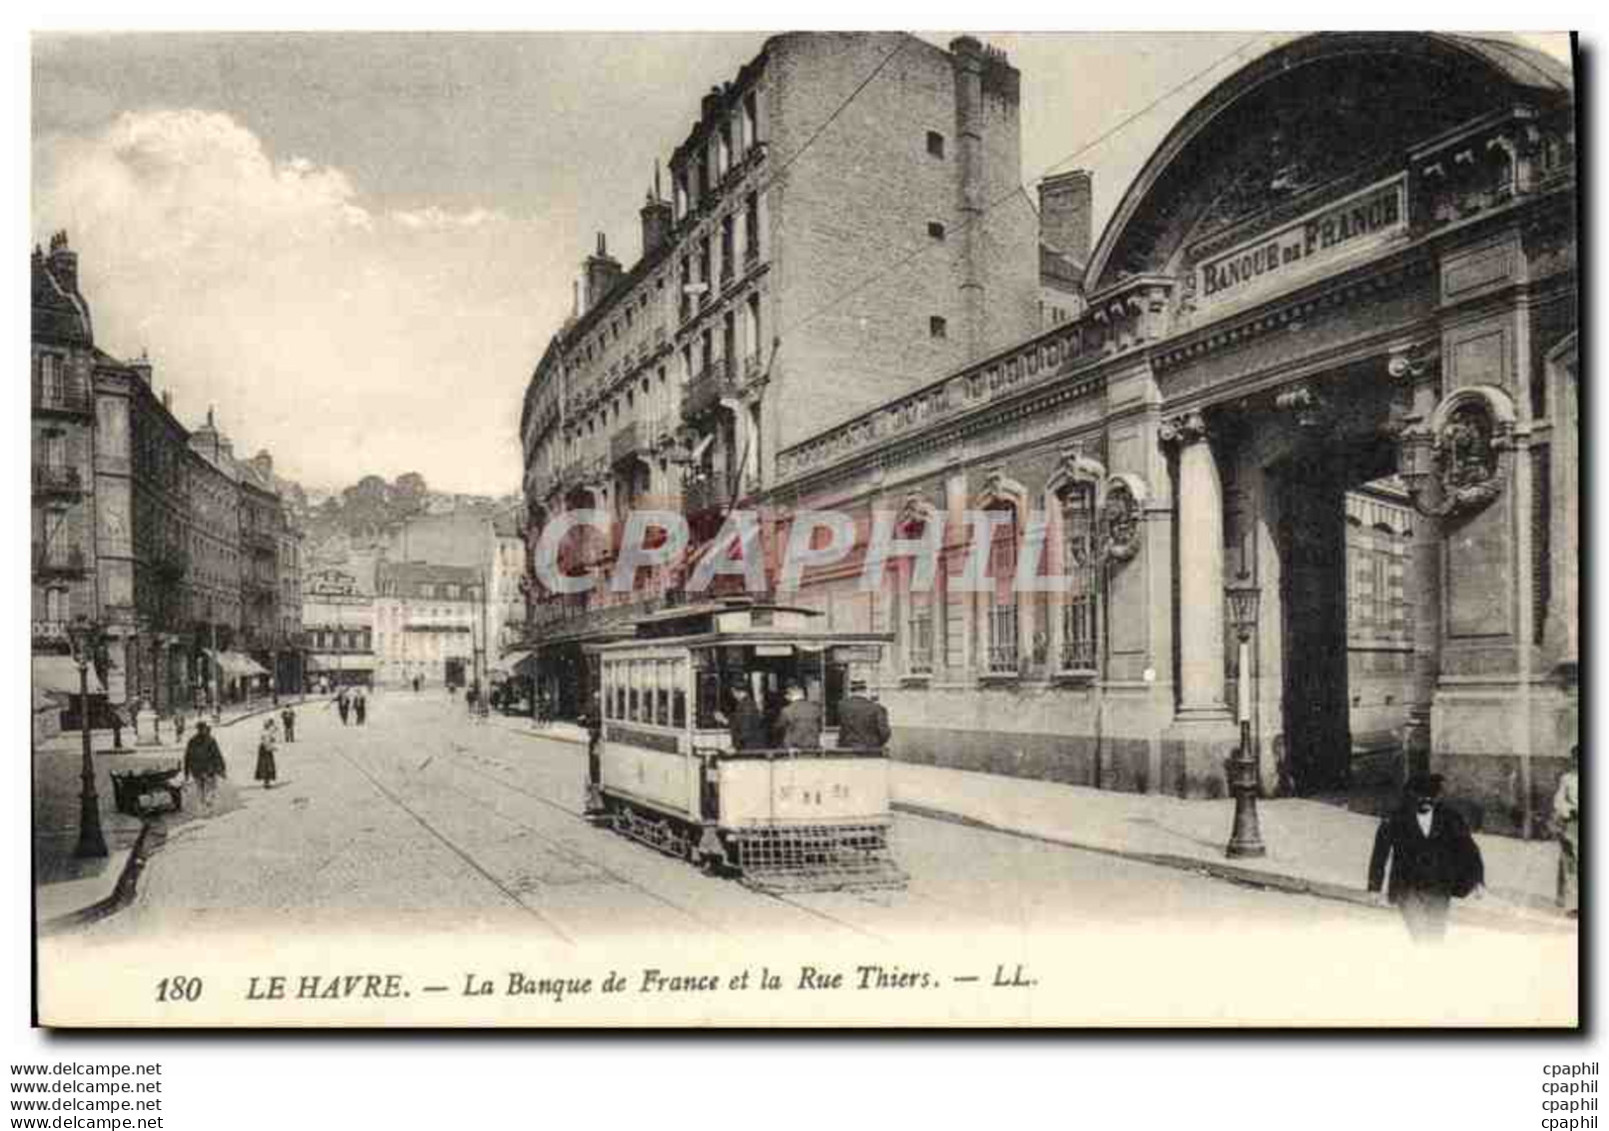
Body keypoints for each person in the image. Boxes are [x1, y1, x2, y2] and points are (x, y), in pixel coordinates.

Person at [1367, 773, 1484, 943]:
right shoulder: (1395, 818)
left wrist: (1477, 881)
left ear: (1437, 797)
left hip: (1439, 886)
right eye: (1421, 798)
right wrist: (1374, 887)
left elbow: (1469, 850)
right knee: (1420, 934)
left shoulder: (1450, 818)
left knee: (1436, 936)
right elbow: (1380, 853)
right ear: (1411, 796)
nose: (1426, 802)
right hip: (1407, 888)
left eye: (1431, 798)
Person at [1553, 746, 1580, 918]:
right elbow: (1558, 801)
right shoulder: (1567, 779)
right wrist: (1569, 810)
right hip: (1573, 825)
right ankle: (1573, 905)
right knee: (1571, 864)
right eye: (1576, 758)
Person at [836, 679, 891, 752]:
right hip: (871, 749)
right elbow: (884, 732)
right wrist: (876, 742)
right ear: (865, 691)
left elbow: (841, 729)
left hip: (846, 748)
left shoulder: (842, 706)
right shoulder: (877, 708)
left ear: (851, 691)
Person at [183, 720, 227, 808]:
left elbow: (187, 756)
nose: (203, 730)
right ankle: (206, 803)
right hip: (207, 769)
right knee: (209, 787)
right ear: (204, 728)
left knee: (201, 788)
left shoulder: (192, 741)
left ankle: (203, 803)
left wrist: (186, 771)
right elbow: (217, 754)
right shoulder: (210, 740)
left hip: (197, 769)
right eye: (202, 729)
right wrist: (222, 768)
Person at [773, 682, 823, 750]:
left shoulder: (787, 710)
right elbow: (820, 727)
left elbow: (778, 728)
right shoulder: (815, 709)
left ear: (789, 696)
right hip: (812, 746)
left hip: (793, 747)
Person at [727, 684, 768, 751]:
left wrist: (736, 746)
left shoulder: (746, 706)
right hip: (749, 744)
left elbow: (746, 728)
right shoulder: (746, 704)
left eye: (733, 692)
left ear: (737, 692)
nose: (733, 695)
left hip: (749, 746)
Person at [255, 718, 279, 789]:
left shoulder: (263, 732)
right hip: (266, 750)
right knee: (268, 765)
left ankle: (266, 782)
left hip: (262, 749)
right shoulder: (267, 733)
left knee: (263, 766)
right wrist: (272, 748)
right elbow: (267, 742)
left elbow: (275, 730)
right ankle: (267, 782)